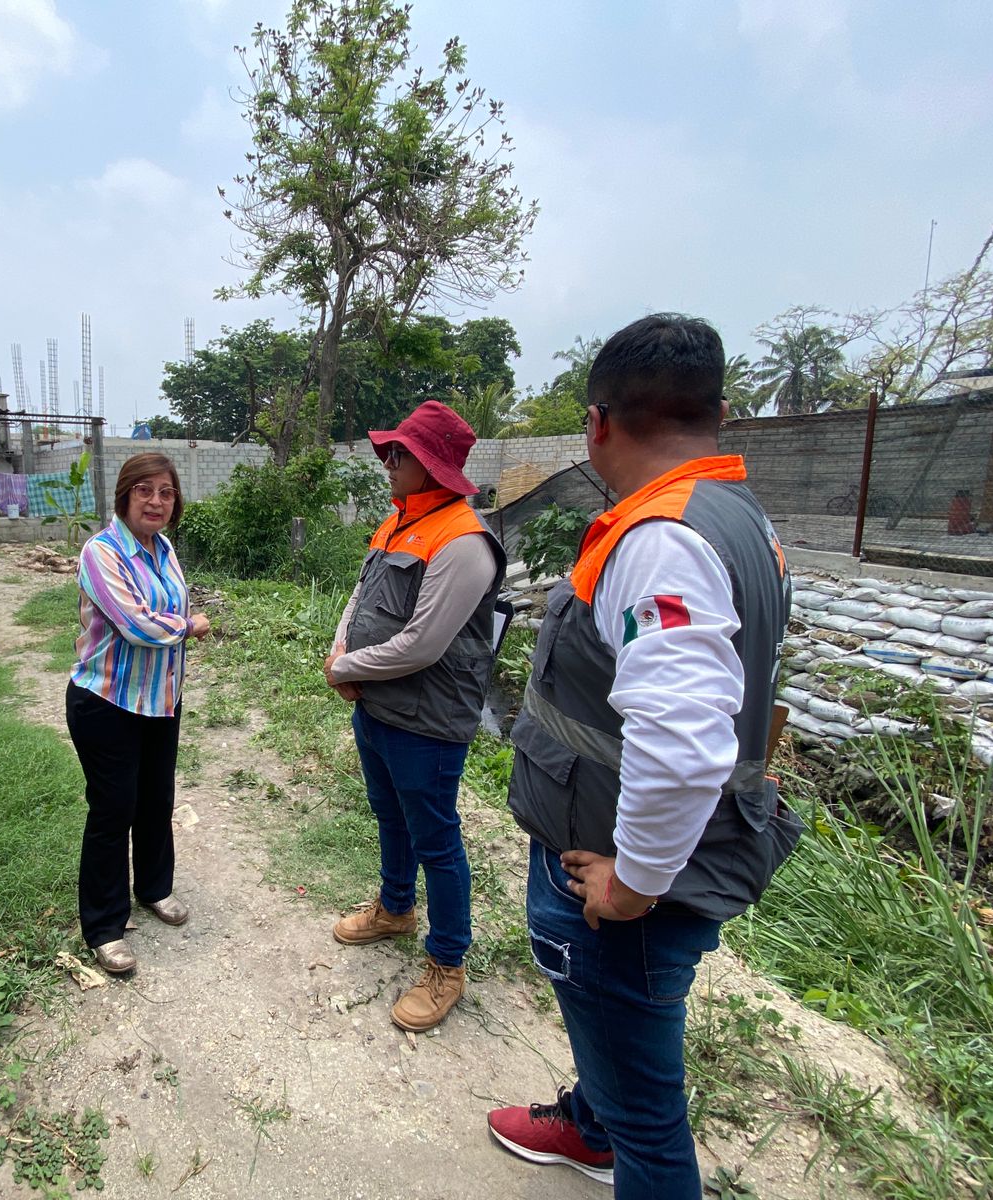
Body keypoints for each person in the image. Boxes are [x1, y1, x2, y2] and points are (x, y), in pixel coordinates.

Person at [486, 315, 795, 1197]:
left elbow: (687, 742)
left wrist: (636, 883)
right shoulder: (736, 515)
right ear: (721, 414)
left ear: (597, 424)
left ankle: (616, 1135)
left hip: (626, 896)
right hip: (656, 859)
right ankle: (590, 1124)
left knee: (653, 1126)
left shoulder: (661, 538)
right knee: (617, 1049)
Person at [322, 400, 507, 1032]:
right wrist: (340, 648)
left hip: (426, 722)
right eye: (390, 451)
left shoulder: (464, 542)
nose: (389, 462)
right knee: (389, 817)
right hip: (378, 707)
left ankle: (447, 963)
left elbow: (425, 644)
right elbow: (360, 594)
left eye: (399, 453)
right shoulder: (398, 522)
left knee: (436, 837)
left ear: (429, 463)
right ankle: (396, 907)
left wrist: (347, 670)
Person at [66, 453, 211, 975]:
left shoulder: (164, 547)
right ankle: (105, 927)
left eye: (166, 493)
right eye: (145, 490)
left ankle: (154, 888)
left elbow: (160, 610)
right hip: (107, 701)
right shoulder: (101, 552)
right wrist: (190, 626)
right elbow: (137, 624)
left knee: (156, 799)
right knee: (113, 809)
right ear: (124, 495)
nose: (156, 501)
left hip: (160, 700)